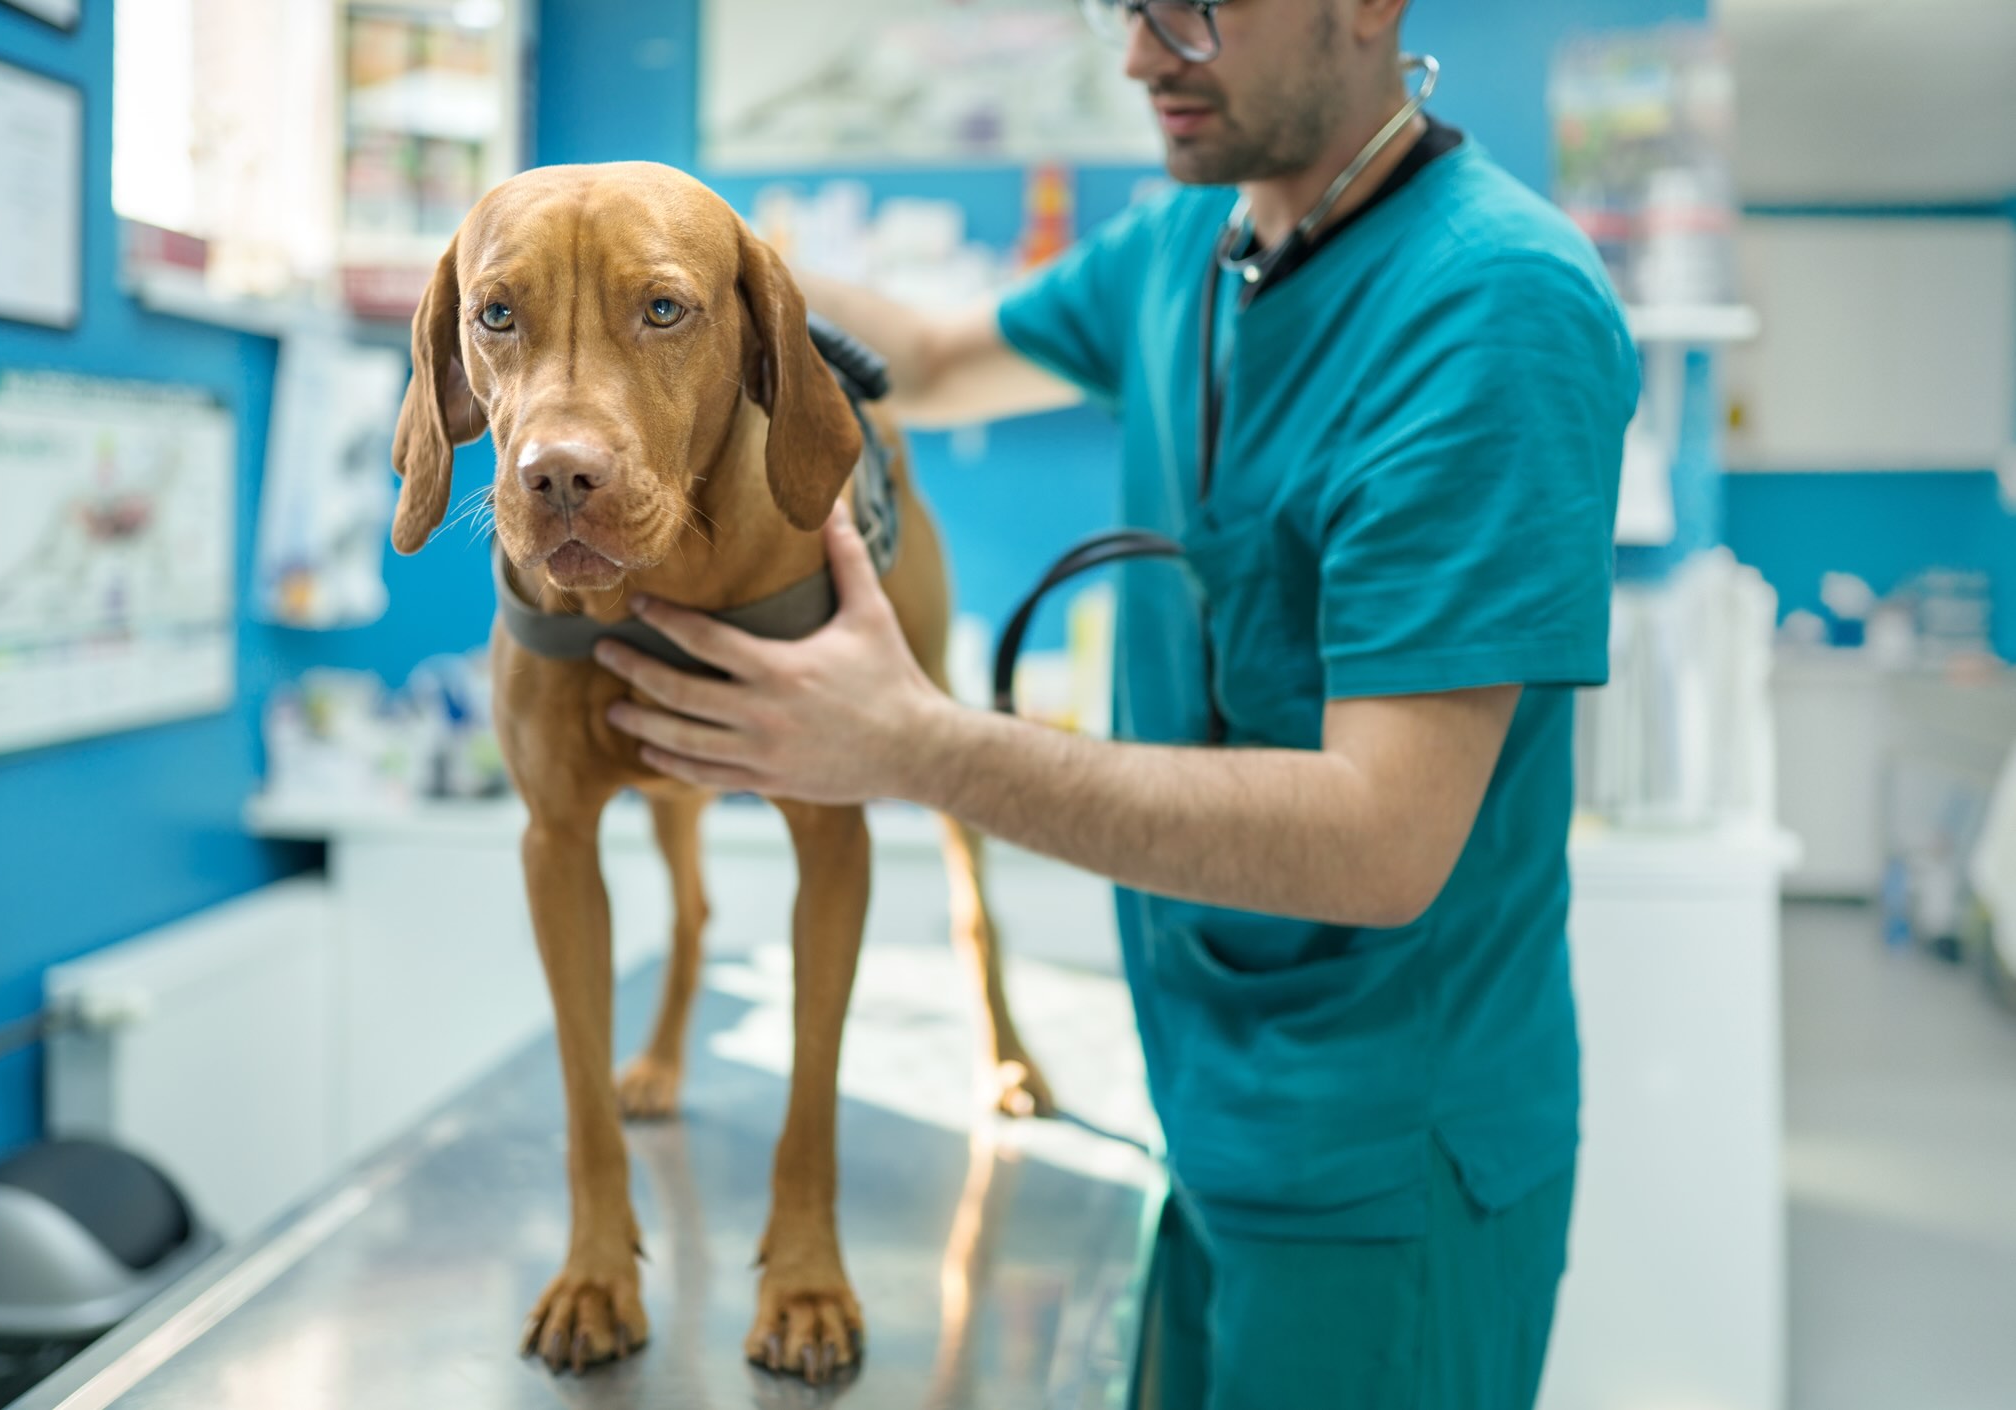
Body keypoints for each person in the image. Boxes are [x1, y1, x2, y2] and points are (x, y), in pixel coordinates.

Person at [596, 0, 1639, 1404]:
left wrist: (915, 744)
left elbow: (1381, 839)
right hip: (1195, 1107)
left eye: (1196, 9)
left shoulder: (1491, 308)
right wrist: (672, 251)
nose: (1142, 55)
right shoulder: (1182, 247)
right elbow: (940, 361)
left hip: (1385, 1163)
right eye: (1122, 7)